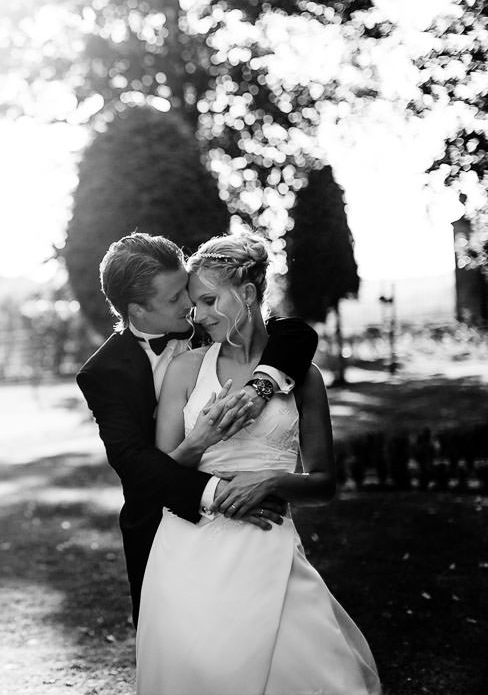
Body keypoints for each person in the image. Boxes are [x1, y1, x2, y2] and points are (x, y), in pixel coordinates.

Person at [135, 232, 380, 694]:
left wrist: (270, 481)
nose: (199, 317)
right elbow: (161, 471)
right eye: (194, 304)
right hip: (189, 550)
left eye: (208, 301)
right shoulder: (186, 370)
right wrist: (204, 438)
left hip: (270, 548)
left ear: (247, 293)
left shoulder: (303, 377)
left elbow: (326, 484)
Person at [75, 232, 318, 629]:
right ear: (137, 310)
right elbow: (136, 468)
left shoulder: (212, 323)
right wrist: (219, 484)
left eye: (187, 291)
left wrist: (261, 389)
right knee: (179, 647)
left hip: (254, 533)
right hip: (159, 525)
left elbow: (296, 334)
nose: (189, 305)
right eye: (174, 299)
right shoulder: (102, 375)